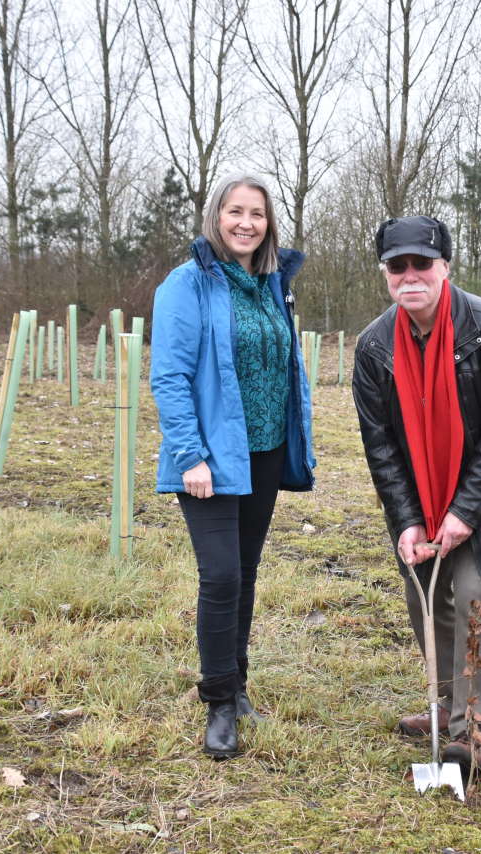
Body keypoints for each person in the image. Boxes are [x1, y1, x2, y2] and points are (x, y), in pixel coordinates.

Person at [352, 215, 481, 780]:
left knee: (473, 597)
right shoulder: (374, 346)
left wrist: (464, 513)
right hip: (417, 497)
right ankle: (444, 708)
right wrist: (408, 519)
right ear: (386, 273)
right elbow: (380, 446)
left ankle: (473, 732)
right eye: (397, 265)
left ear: (444, 267)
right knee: (427, 602)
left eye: (421, 264)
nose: (410, 275)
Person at [150, 176, 315, 760]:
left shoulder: (272, 285)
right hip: (211, 460)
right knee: (219, 576)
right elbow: (169, 376)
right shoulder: (188, 283)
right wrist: (189, 454)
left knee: (244, 572)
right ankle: (219, 702)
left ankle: (238, 682)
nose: (246, 223)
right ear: (215, 214)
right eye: (235, 211)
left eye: (258, 214)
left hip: (264, 452)